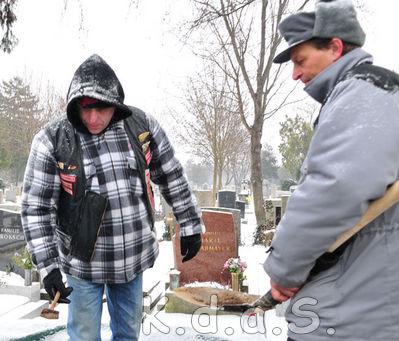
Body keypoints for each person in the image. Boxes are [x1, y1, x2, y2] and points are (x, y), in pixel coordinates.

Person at [21, 54, 205, 340]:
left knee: (128, 335)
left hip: (131, 258)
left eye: (101, 108)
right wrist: (48, 267)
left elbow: (171, 175)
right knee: (84, 337)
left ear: (115, 104)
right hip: (82, 265)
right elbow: (36, 208)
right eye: (84, 109)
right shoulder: (53, 140)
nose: (92, 118)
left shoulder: (140, 126)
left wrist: (190, 224)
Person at [263, 0, 399, 340]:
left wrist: (284, 269)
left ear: (335, 48)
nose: (295, 73)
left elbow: (334, 188)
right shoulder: (368, 94)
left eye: (300, 60)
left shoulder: (365, 92)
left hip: (351, 311)